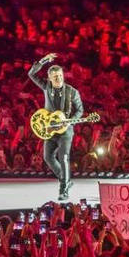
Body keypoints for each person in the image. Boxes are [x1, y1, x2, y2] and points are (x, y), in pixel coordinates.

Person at [28, 52, 84, 200]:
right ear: (50, 78)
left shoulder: (72, 92)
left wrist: (70, 120)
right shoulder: (46, 87)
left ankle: (63, 188)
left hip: (65, 131)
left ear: (63, 76)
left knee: (63, 157)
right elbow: (31, 74)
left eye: (60, 75)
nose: (58, 78)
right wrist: (44, 60)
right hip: (50, 129)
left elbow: (80, 110)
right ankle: (65, 179)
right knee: (47, 157)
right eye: (55, 77)